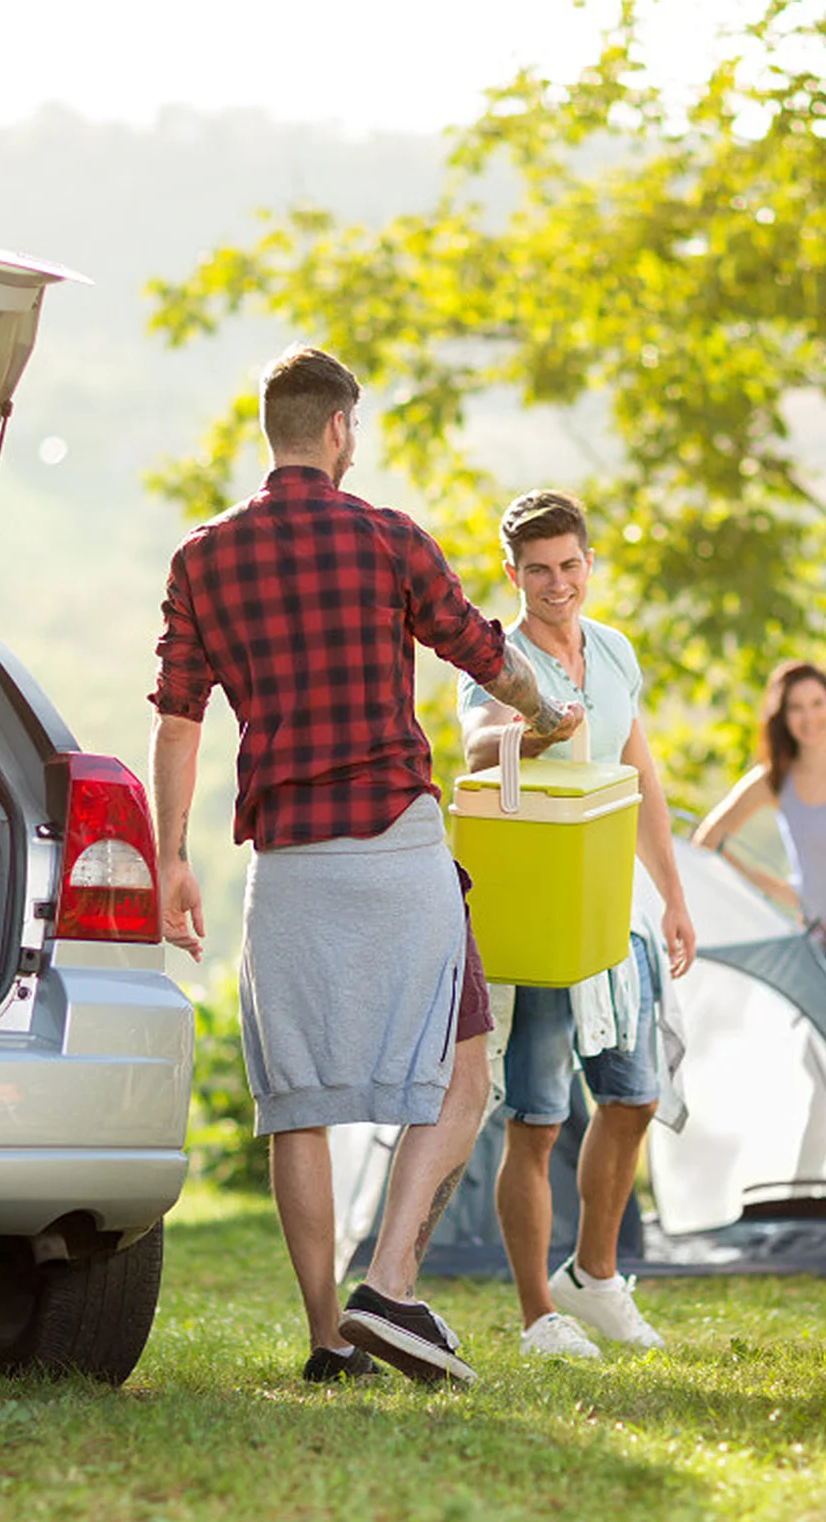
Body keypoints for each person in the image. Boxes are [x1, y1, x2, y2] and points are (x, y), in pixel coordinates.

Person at [150, 347, 581, 1388]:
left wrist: (170, 858)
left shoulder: (201, 558)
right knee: (463, 1067)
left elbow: (177, 718)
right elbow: (481, 650)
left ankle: (328, 1341)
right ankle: (387, 1282)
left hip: (286, 857)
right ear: (339, 427)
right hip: (396, 842)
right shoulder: (388, 537)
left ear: (275, 430)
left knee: (297, 1101)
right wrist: (550, 710)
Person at [457, 489, 696, 1361]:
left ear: (588, 563)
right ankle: (537, 1317)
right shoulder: (495, 656)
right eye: (538, 570)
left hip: (615, 911)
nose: (556, 584)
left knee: (634, 1096)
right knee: (537, 1118)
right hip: (544, 916)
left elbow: (641, 774)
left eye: (568, 566)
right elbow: (478, 745)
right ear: (512, 573)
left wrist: (672, 894)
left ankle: (593, 1279)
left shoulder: (614, 650)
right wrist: (538, 729)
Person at [692, 660, 826, 931]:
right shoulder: (773, 780)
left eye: (817, 703)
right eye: (796, 707)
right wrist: (763, 883)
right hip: (816, 939)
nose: (809, 717)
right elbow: (705, 841)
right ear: (782, 716)